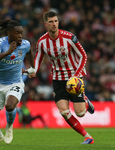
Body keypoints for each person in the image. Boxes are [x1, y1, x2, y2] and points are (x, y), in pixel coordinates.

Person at [34, 11, 95, 144]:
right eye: (51, 22)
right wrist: (34, 70)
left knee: (80, 113)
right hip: (57, 79)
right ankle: (87, 136)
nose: (54, 24)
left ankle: (85, 102)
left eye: (56, 21)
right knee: (64, 112)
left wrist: (77, 75)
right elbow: (39, 58)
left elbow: (83, 55)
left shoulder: (69, 37)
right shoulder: (42, 42)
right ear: (45, 24)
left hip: (74, 79)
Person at [0, 17, 36, 145]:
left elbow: (29, 52)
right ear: (9, 33)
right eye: (17, 33)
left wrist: (33, 67)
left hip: (15, 82)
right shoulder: (0, 43)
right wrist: (8, 52)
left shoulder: (25, 44)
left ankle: (9, 126)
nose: (20, 36)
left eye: (21, 33)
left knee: (10, 105)